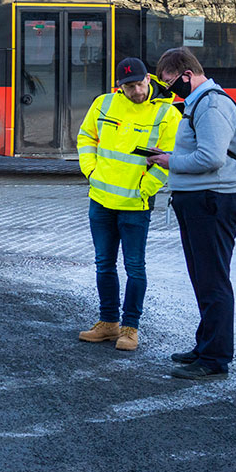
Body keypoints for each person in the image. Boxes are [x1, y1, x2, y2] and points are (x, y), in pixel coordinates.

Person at [149, 47, 236, 381]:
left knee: (213, 280)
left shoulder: (211, 104)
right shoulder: (199, 103)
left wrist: (169, 162)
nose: (168, 89)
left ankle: (214, 359)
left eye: (170, 82)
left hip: (215, 201)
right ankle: (205, 345)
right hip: (203, 200)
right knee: (203, 278)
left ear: (187, 74)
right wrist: (172, 155)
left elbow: (211, 158)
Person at [75, 57, 180, 352]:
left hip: (136, 204)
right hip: (101, 200)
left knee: (135, 268)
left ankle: (130, 328)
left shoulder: (166, 113)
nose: (136, 91)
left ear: (149, 79)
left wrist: (145, 189)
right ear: (120, 86)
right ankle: (108, 323)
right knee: (104, 264)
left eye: (139, 84)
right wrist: (91, 171)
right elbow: (86, 137)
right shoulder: (105, 103)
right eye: (129, 86)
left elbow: (168, 159)